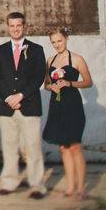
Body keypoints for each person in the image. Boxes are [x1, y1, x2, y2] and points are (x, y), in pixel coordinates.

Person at [0, 11, 47, 199]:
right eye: (12, 25)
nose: (15, 29)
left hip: (29, 105)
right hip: (6, 108)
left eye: (19, 25)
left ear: (24, 26)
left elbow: (38, 77)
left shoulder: (36, 50)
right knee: (9, 146)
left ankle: (37, 185)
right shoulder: (0, 51)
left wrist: (21, 96)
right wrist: (8, 97)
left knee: (32, 146)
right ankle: (9, 182)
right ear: (8, 27)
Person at [43, 26, 92, 200]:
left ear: (66, 39)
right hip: (57, 107)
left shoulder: (77, 59)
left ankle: (81, 188)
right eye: (53, 42)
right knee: (63, 148)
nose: (57, 45)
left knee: (75, 147)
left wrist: (69, 83)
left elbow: (88, 82)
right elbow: (46, 85)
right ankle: (70, 187)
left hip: (73, 106)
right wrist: (52, 86)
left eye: (59, 40)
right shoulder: (50, 60)